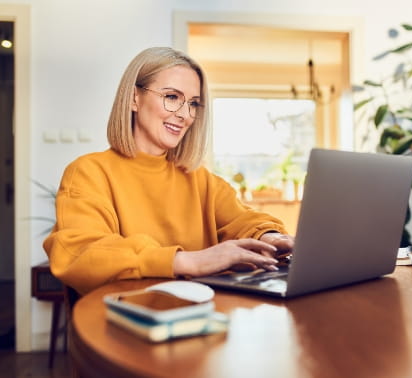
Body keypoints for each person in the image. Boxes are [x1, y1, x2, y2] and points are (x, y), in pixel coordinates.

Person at [43, 47, 294, 295]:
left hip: (200, 319)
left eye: (193, 103)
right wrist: (188, 262)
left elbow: (244, 219)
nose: (185, 115)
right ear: (134, 98)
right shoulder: (89, 172)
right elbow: (81, 253)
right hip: (123, 321)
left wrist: (269, 236)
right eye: (172, 97)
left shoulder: (198, 178)